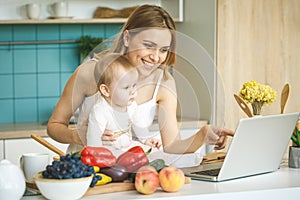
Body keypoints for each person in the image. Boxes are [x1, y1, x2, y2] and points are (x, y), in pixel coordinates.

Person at [47, 4, 234, 156]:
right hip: (86, 173)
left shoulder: (165, 82)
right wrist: (79, 136)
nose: (156, 57)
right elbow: (54, 126)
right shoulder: (90, 72)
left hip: (129, 176)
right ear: (127, 38)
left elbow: (172, 145)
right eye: (148, 46)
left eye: (163, 49)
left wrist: (202, 135)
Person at [86, 53, 161, 150]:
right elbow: (93, 141)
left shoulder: (131, 105)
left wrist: (146, 139)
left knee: (148, 152)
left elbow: (138, 123)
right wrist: (96, 153)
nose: (133, 91)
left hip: (126, 147)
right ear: (106, 90)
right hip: (108, 151)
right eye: (126, 87)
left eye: (134, 85)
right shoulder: (100, 110)